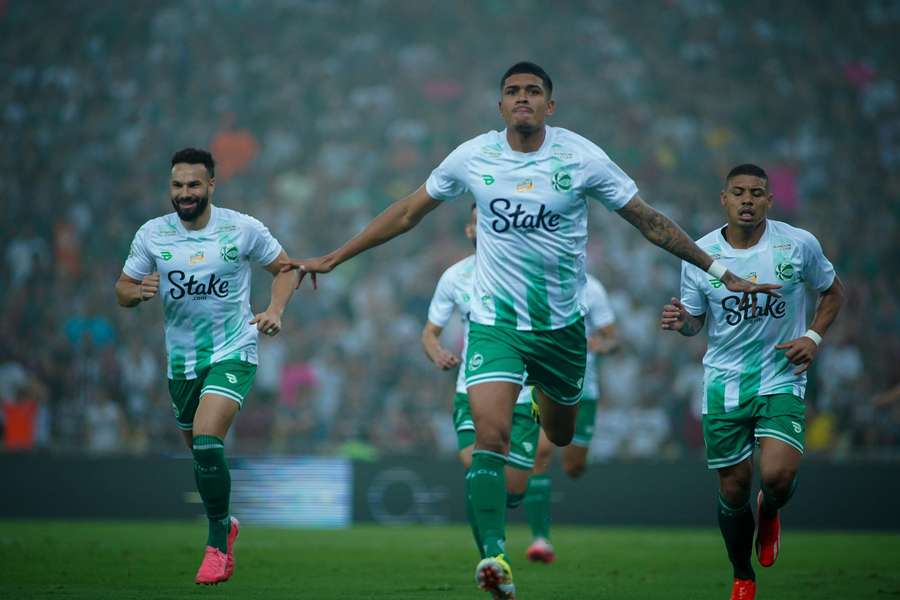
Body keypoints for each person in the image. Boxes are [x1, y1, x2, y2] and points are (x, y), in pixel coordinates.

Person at [283, 62, 777, 599]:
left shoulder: (580, 157)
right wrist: (335, 256)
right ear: (500, 106)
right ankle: (494, 560)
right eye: (513, 92)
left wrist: (720, 270)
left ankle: (542, 413)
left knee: (560, 437)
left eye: (533, 91)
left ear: (550, 105)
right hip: (495, 326)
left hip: (562, 331)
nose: (523, 98)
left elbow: (648, 220)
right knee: (489, 439)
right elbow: (407, 213)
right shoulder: (473, 156)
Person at [659, 163, 844, 600]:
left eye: (756, 193)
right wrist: (682, 322)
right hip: (724, 384)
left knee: (776, 477)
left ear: (769, 200)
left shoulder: (798, 245)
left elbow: (834, 291)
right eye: (738, 192)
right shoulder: (700, 253)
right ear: (723, 199)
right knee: (734, 488)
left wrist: (812, 337)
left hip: (781, 377)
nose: (747, 200)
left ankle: (773, 508)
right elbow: (695, 324)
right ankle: (742, 573)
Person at [115, 148, 299, 585]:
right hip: (181, 363)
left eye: (194, 185)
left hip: (234, 349)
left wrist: (275, 310)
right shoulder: (152, 234)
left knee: (207, 439)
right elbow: (121, 288)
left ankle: (217, 544)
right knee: (202, 455)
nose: (185, 193)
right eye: (177, 185)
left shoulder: (241, 228)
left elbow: (286, 269)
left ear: (211, 185)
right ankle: (226, 521)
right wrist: (136, 292)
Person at [421, 204, 540, 560]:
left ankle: (494, 546)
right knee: (478, 467)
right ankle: (493, 560)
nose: (485, 228)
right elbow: (429, 332)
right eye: (478, 222)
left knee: (513, 490)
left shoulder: (532, 272)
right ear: (469, 230)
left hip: (525, 396)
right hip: (472, 390)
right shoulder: (455, 277)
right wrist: (437, 352)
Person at [524, 272, 618, 564]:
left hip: (584, 391)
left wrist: (600, 346)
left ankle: (575, 463)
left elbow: (612, 338)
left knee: (573, 466)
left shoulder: (593, 288)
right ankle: (540, 540)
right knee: (540, 454)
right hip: (545, 383)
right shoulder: (534, 282)